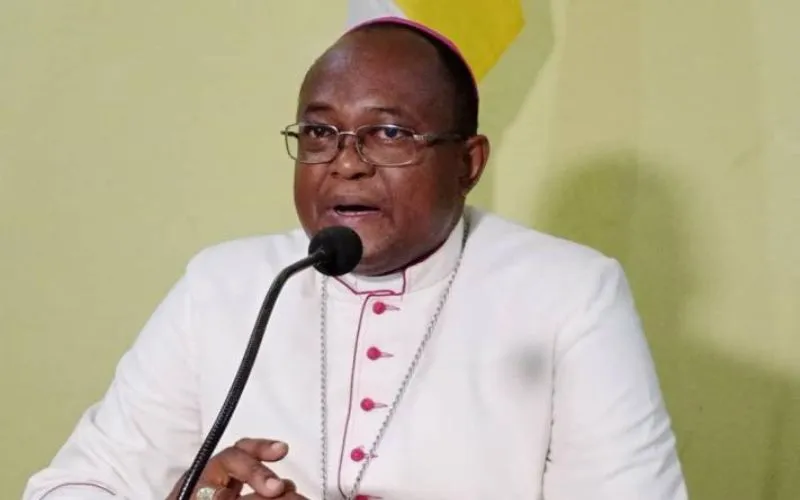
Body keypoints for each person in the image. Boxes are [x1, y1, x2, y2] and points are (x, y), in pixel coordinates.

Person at [24, 16, 688, 500]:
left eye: (389, 133)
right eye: (320, 132)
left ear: (468, 163)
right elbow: (72, 487)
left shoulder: (570, 295)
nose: (345, 163)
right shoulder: (223, 284)